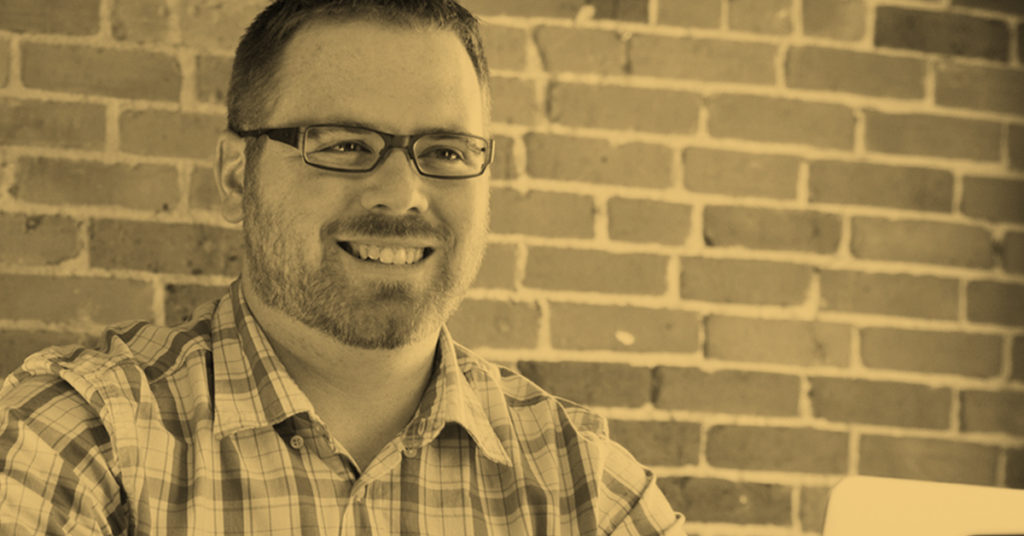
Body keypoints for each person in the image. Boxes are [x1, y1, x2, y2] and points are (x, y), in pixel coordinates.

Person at [0, 1, 685, 533]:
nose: (400, 194)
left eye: (445, 151)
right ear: (237, 173)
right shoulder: (85, 436)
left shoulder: (582, 484)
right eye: (345, 144)